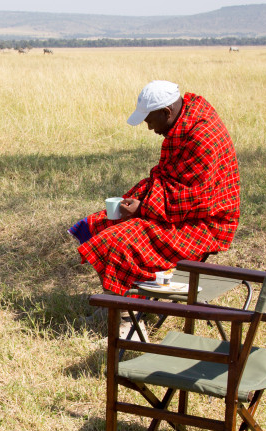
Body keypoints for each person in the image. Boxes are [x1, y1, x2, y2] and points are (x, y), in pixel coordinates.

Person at [69, 80, 240, 296]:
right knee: (100, 223)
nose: (150, 128)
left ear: (167, 112)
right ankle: (118, 300)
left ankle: (126, 314)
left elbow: (192, 199)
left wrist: (142, 208)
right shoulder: (186, 122)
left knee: (116, 241)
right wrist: (139, 201)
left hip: (203, 224)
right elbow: (172, 182)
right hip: (177, 213)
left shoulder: (200, 137)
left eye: (150, 121)